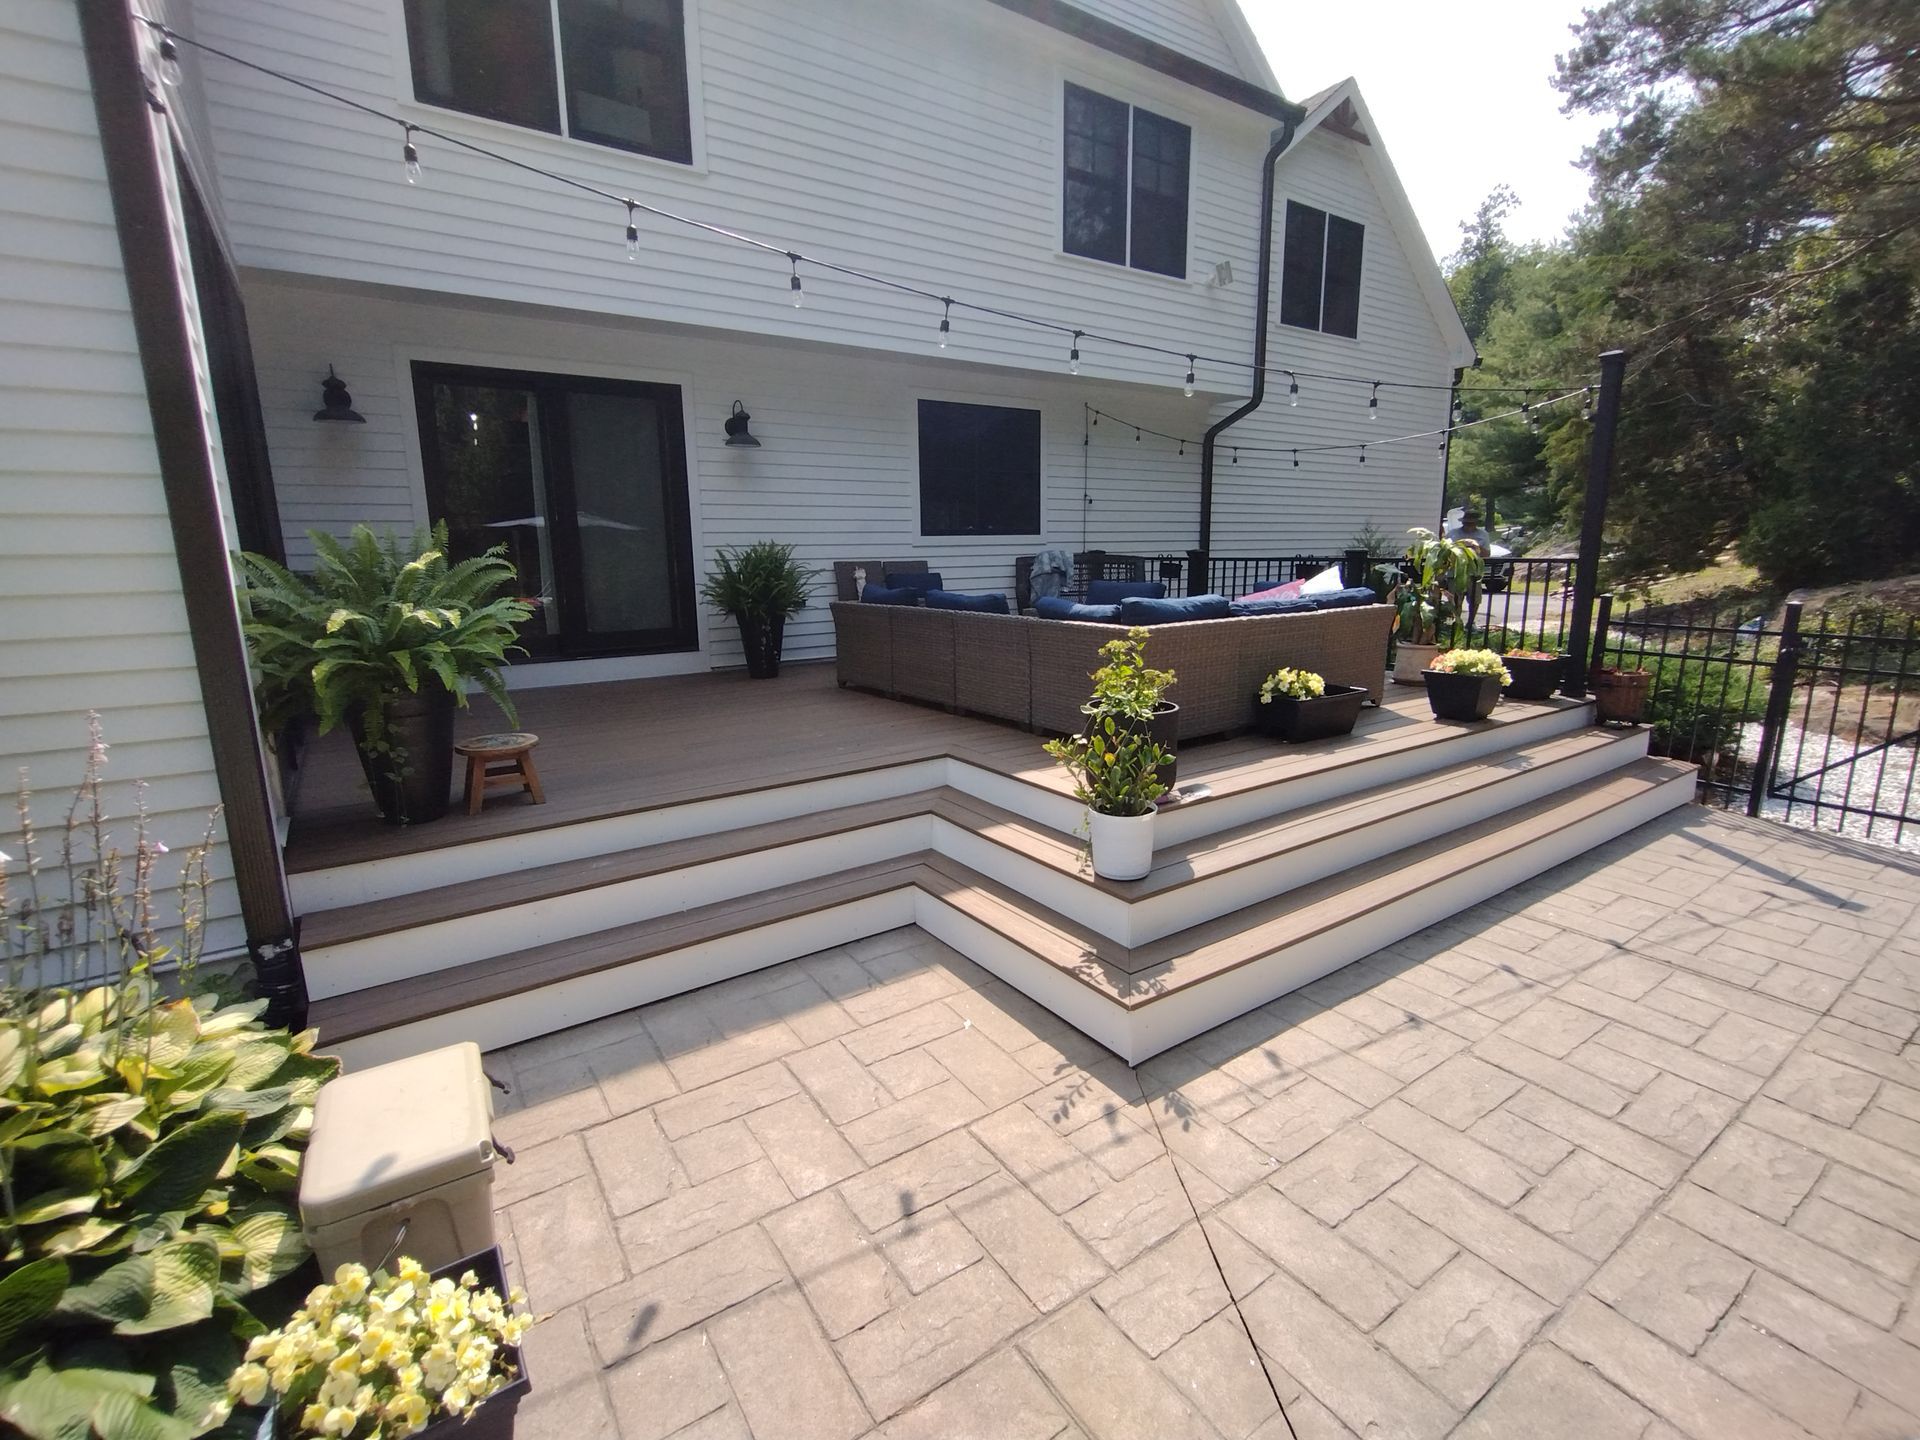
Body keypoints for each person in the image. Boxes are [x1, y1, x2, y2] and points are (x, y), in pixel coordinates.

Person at [1449, 508, 1493, 630]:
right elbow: (1446, 551)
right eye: (1466, 523)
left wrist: (1475, 546)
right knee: (1456, 599)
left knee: (1474, 599)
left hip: (1474, 572)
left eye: (1471, 523)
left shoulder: (1483, 535)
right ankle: (1456, 623)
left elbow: (1486, 554)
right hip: (1456, 571)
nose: (1468, 526)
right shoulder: (1453, 534)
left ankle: (1470, 623)